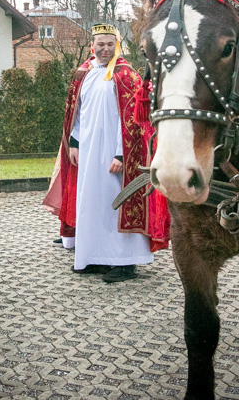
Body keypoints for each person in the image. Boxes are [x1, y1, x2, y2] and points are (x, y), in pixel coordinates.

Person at [43, 23, 169, 283]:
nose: (105, 49)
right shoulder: (84, 73)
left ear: (117, 45)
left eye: (110, 44)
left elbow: (135, 122)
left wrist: (122, 155)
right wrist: (74, 144)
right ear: (93, 45)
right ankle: (96, 257)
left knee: (117, 205)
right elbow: (76, 114)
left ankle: (125, 262)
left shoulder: (126, 75)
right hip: (88, 153)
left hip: (116, 156)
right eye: (100, 44)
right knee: (92, 205)